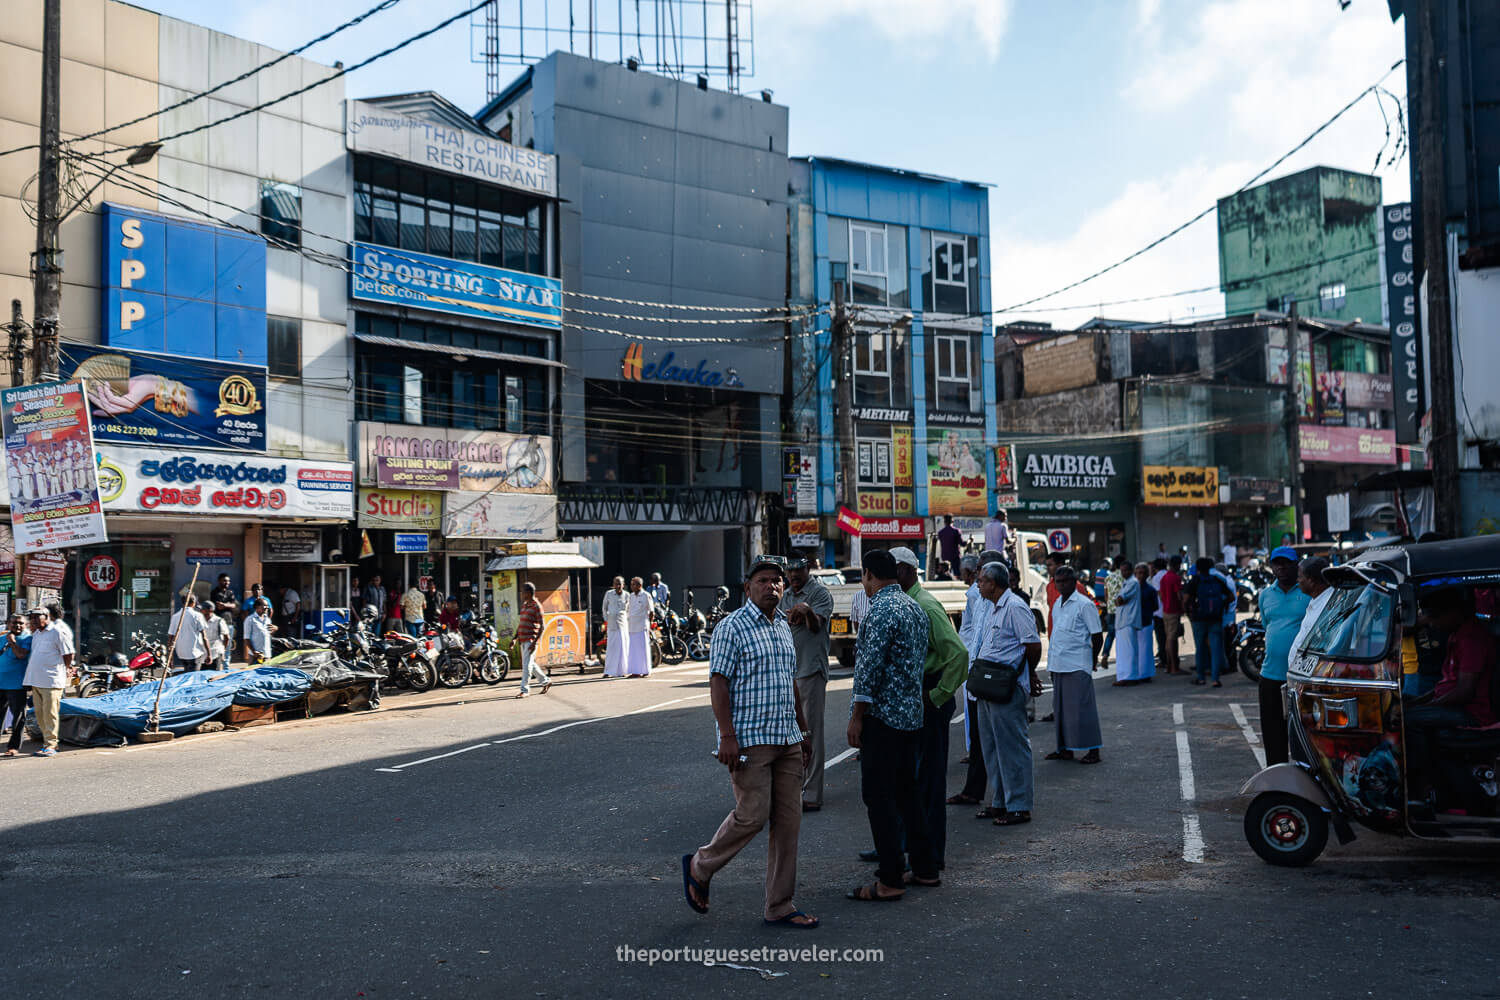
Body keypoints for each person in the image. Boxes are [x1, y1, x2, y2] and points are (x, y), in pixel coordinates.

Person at [683, 555, 816, 928]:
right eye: (763, 580)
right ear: (747, 588)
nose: (771, 586)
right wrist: (727, 735)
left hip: (787, 738)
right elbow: (718, 681)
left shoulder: (782, 627)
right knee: (752, 816)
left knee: (789, 824)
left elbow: (789, 682)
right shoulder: (732, 627)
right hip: (750, 740)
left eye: (777, 580)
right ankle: (700, 865)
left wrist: (803, 731)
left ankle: (780, 905)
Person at [845, 549, 935, 900]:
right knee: (908, 794)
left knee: (879, 797)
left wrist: (856, 716)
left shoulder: (880, 610)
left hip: (883, 719)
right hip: (912, 716)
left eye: (863, 578)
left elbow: (868, 670)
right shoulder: (914, 607)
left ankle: (890, 878)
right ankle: (925, 868)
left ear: (868, 574)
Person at [890, 546, 967, 870]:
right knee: (909, 778)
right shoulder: (908, 602)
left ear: (906, 571)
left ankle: (933, 853)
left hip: (930, 698)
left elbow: (958, 654)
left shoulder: (926, 605)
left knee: (931, 782)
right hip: (914, 697)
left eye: (890, 571)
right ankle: (903, 844)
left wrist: (937, 695)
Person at [1403, 587, 1497, 804]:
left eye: (1435, 618)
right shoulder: (1457, 635)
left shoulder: (1472, 639)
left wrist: (1428, 707)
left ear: (1453, 612)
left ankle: (1424, 787)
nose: (1433, 625)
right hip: (1457, 707)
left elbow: (1463, 692)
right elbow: (1444, 686)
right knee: (1406, 708)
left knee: (1408, 722)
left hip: (1473, 715)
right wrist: (1417, 703)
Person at [971, 561, 1043, 825]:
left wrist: (1027, 673)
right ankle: (1000, 801)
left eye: (981, 580)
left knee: (1012, 747)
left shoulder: (1014, 607)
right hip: (987, 686)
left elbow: (1032, 645)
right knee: (992, 748)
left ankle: (1019, 805)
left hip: (1006, 686)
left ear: (994, 583)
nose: (978, 584)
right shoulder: (992, 608)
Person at [779, 558, 834, 811]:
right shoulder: (784, 594)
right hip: (786, 672)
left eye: (798, 570)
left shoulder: (819, 592)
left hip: (810, 670)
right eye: (789, 571)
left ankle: (812, 793)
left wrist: (807, 611)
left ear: (807, 570)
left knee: (809, 733)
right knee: (787, 734)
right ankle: (790, 789)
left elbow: (816, 626)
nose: (793, 575)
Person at [948, 551, 999, 807]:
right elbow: (969, 633)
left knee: (1000, 741)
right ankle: (974, 790)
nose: (978, 578)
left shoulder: (1007, 603)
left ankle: (1008, 801)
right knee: (980, 739)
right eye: (978, 571)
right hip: (977, 674)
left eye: (983, 572)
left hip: (996, 679)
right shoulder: (977, 598)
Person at [1044, 565, 1104, 764]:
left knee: (1083, 709)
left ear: (1074, 581)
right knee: (1061, 710)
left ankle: (1093, 751)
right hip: (1058, 663)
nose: (1061, 585)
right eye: (1057, 581)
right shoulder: (1058, 603)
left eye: (1065, 581)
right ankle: (1065, 749)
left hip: (1077, 663)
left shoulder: (1084, 604)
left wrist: (1093, 659)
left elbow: (1096, 636)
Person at [1257, 547, 1310, 766]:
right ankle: (1276, 775)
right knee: (1272, 731)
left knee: (1303, 731)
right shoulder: (1265, 595)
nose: (1281, 567)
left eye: (1286, 563)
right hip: (1270, 674)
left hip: (1301, 676)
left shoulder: (1307, 591)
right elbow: (1266, 625)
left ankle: (1307, 779)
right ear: (1271, 566)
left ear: (1296, 564)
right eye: (1277, 563)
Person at [23, 607, 72, 757]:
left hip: (52, 680)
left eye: (38, 617)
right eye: (32, 617)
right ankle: (47, 743)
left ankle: (51, 744)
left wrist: (65, 669)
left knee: (50, 714)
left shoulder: (57, 632)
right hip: (36, 680)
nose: (34, 620)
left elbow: (68, 653)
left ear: (47, 617)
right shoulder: (37, 633)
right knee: (39, 714)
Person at [1183, 557, 1232, 686]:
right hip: (1216, 618)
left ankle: (1201, 677)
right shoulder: (1218, 580)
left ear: (1197, 568)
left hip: (1199, 619)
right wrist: (1221, 605)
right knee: (1215, 649)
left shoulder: (1194, 581)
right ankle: (1215, 679)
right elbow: (1231, 597)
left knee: (1200, 648)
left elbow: (1185, 599)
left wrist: (1188, 612)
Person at [1290, 557, 1333, 670]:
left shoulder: (1327, 606)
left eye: (1300, 577)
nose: (1298, 581)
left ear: (1311, 580)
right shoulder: (1317, 600)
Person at [513, 581, 552, 698]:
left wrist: (535, 642)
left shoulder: (537, 606)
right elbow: (521, 624)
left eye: (523, 592)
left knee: (527, 666)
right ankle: (546, 681)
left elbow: (542, 626)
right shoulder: (525, 605)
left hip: (531, 640)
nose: (521, 594)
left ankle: (524, 690)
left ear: (529, 593)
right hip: (523, 639)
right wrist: (514, 638)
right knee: (530, 664)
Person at [1, 614, 32, 756]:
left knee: (18, 717)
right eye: (14, 623)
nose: (17, 626)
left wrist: (13, 642)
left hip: (16, 685)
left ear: (25, 625)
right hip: (1, 683)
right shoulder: (2, 638)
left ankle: (13, 747)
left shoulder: (27, 639)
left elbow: (21, 655)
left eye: (20, 623)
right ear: (8, 623)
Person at [1159, 556, 1185, 675]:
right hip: (1173, 610)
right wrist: (1183, 608)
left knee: (1168, 638)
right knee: (1172, 639)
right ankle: (1174, 667)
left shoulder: (1164, 577)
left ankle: (1170, 666)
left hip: (1166, 610)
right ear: (1178, 565)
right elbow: (1179, 595)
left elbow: (1161, 594)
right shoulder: (1175, 578)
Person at [169, 595, 209, 672]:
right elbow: (204, 637)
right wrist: (209, 654)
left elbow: (170, 637)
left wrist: (170, 657)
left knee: (187, 673)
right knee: (194, 676)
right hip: (194, 653)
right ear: (193, 603)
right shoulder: (197, 616)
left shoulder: (175, 616)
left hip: (181, 653)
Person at [625, 576, 655, 677]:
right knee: (633, 650)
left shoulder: (646, 595)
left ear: (640, 585)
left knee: (643, 650)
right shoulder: (631, 596)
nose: (632, 586)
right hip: (632, 626)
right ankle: (635, 671)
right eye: (631, 584)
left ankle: (645, 671)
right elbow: (628, 610)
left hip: (642, 626)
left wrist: (649, 625)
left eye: (634, 584)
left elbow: (651, 612)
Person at [1099, 559, 1126, 667]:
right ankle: (1122, 656)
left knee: (1110, 634)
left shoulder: (1108, 577)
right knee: (1122, 635)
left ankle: (1105, 654)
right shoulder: (1125, 577)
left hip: (1111, 609)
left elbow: (1106, 595)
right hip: (1122, 610)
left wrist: (1109, 605)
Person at [602, 576, 629, 677]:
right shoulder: (608, 594)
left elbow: (629, 610)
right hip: (612, 624)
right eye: (616, 584)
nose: (617, 586)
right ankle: (609, 672)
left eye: (619, 584)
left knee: (623, 648)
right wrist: (606, 619)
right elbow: (604, 608)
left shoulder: (627, 595)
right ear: (613, 585)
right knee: (611, 649)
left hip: (623, 625)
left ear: (623, 585)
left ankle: (623, 671)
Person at [1148, 558, 1168, 668]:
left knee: (1161, 637)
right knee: (1169, 636)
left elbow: (1159, 593)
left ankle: (1163, 659)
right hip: (1169, 610)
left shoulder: (1156, 578)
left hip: (1159, 611)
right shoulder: (1169, 574)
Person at [245, 599, 275, 664]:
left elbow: (269, 636)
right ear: (257, 607)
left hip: (267, 655)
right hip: (255, 656)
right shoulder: (250, 619)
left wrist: (274, 630)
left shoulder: (268, 620)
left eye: (267, 606)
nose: (267, 607)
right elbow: (246, 638)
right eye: (264, 606)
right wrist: (254, 651)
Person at [202, 606, 232, 672]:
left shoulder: (219, 621)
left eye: (205, 611)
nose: (203, 613)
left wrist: (223, 650)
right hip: (203, 654)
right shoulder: (201, 620)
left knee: (214, 675)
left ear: (211, 611)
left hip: (216, 652)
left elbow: (227, 637)